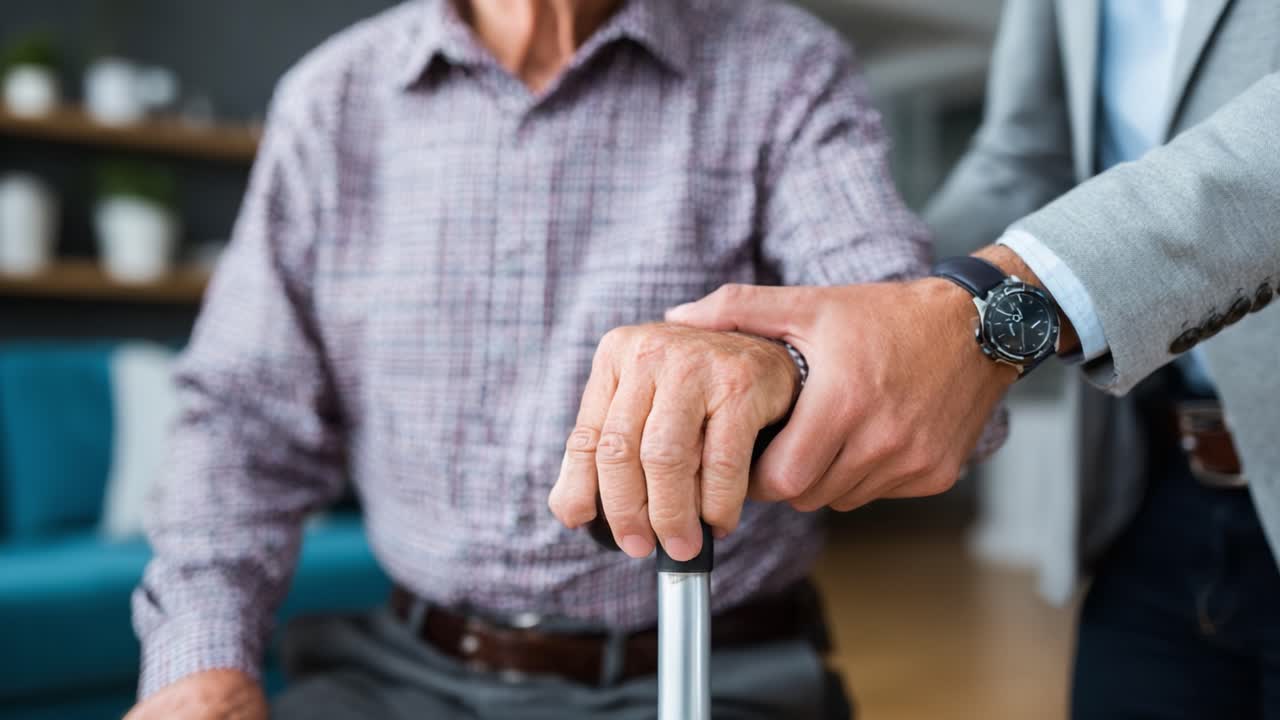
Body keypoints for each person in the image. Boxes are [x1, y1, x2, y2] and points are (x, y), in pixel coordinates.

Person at [122, 1, 956, 718]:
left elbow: (900, 355)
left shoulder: (783, 67)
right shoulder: (330, 101)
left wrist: (787, 370)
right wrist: (200, 664)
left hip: (707, 667)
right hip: (402, 673)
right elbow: (240, 421)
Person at [561, 1, 1280, 717]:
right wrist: (808, 349)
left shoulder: (779, 56)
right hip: (1160, 495)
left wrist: (985, 312)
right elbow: (1029, 161)